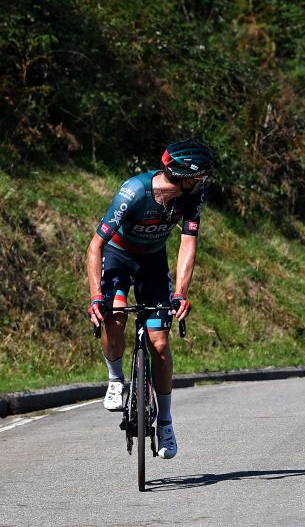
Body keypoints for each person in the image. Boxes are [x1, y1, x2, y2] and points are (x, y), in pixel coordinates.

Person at [86, 138, 214, 459]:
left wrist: (181, 293)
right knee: (115, 316)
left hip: (153, 263)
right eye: (199, 177)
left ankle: (166, 422)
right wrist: (95, 296)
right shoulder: (134, 192)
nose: (202, 182)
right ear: (182, 175)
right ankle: (116, 380)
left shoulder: (192, 195)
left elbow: (188, 243)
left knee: (159, 344)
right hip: (118, 256)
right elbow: (95, 246)